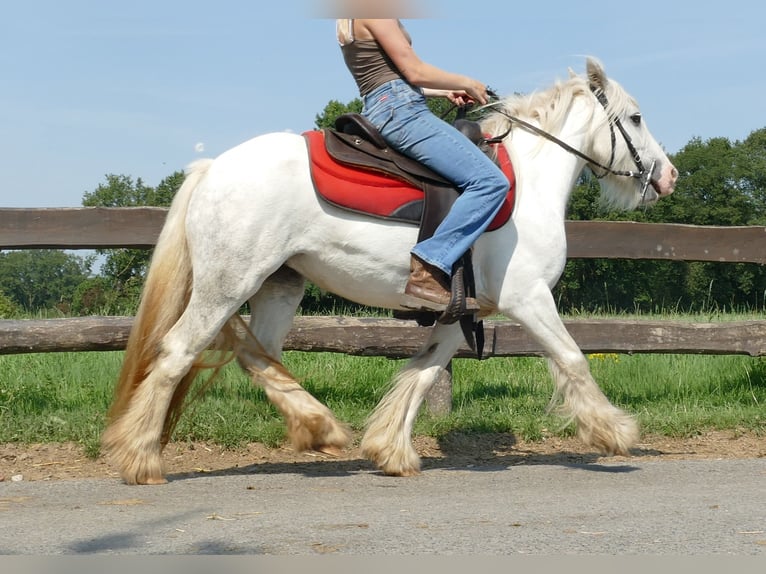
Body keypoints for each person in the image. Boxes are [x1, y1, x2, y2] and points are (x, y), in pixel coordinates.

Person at [336, 18, 510, 317]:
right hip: (401, 110)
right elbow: (414, 70)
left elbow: (388, 77)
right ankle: (429, 269)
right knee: (491, 182)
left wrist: (443, 92)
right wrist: (466, 81)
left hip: (385, 103)